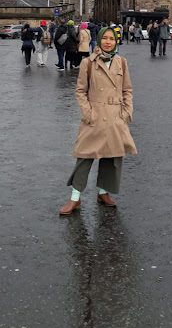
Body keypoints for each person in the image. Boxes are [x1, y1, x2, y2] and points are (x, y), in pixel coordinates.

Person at [59, 27, 137, 215]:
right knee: (84, 157)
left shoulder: (122, 63)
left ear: (116, 41)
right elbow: (80, 91)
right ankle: (75, 198)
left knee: (112, 158)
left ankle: (103, 193)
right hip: (94, 115)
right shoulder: (88, 63)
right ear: (99, 40)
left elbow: (127, 90)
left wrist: (127, 112)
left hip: (115, 116)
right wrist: (88, 113)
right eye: (105, 38)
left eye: (111, 39)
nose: (108, 42)